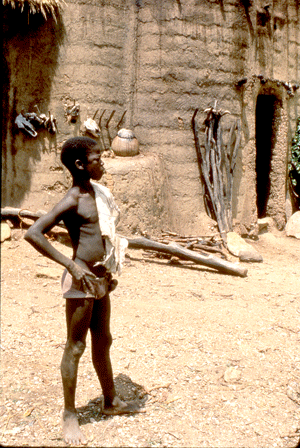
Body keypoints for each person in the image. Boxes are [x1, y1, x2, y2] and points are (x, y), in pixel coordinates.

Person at [25, 136, 139, 445]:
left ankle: (110, 400)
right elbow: (34, 233)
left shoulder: (97, 194)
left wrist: (111, 269)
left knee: (104, 341)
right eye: (96, 159)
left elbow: (104, 236)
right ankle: (69, 415)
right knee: (75, 346)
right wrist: (71, 265)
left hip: (100, 281)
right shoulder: (74, 198)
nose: (102, 163)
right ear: (79, 165)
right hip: (81, 283)